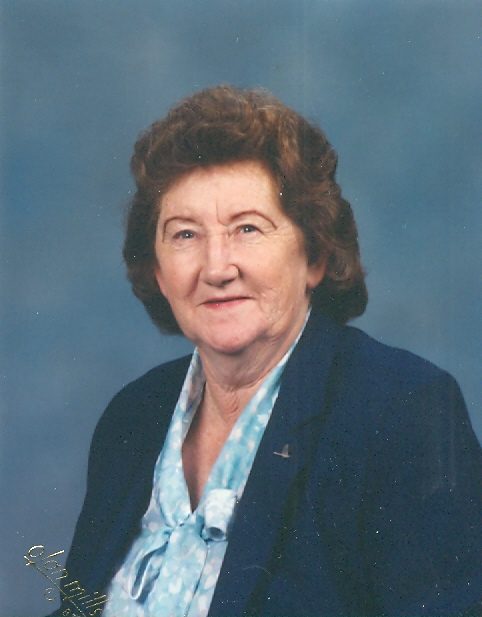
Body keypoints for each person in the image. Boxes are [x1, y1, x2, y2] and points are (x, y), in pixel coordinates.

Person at [47, 86, 482, 617]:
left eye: (247, 228)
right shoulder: (133, 417)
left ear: (315, 255)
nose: (216, 267)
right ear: (157, 271)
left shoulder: (402, 410)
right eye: (185, 235)